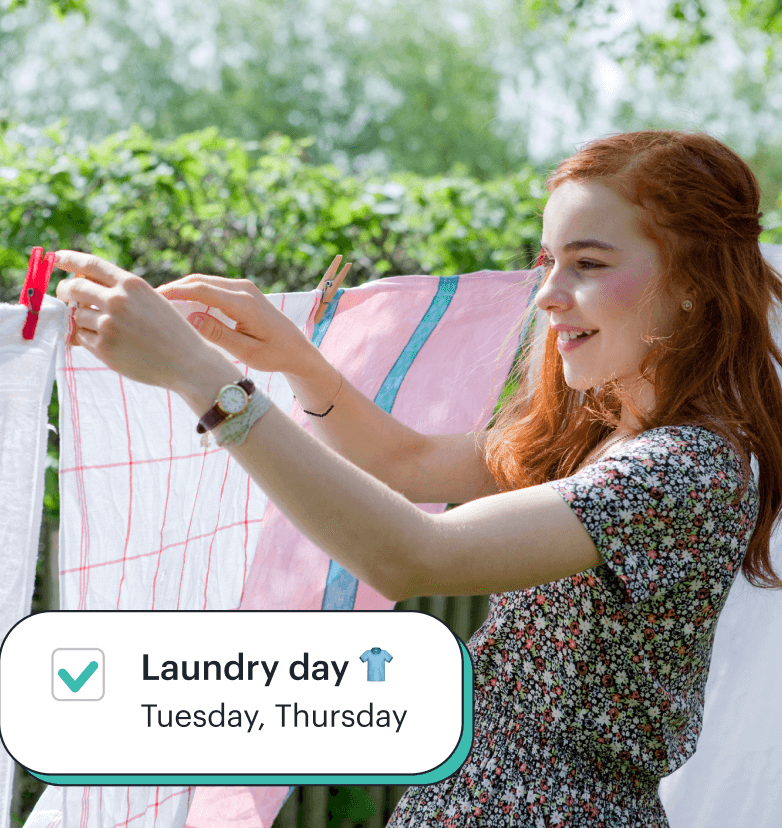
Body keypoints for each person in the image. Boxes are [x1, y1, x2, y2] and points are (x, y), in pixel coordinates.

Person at [52, 130, 782, 828]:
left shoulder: (683, 468)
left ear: (693, 283)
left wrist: (206, 379)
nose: (546, 296)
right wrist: (297, 361)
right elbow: (406, 467)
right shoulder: (596, 434)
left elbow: (412, 553)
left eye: (587, 264)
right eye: (548, 262)